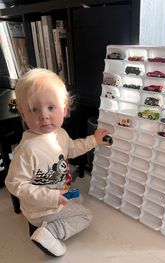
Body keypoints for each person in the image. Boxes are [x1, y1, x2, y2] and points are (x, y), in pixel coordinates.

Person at [5, 68, 109, 257]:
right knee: (86, 215)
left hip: (58, 191)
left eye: (50, 108)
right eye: (34, 109)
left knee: (78, 197)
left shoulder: (60, 134)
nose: (43, 115)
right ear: (23, 114)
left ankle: (43, 225)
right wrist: (51, 198)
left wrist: (93, 140)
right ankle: (48, 232)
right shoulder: (27, 149)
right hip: (40, 208)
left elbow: (72, 149)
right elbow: (14, 184)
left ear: (64, 109)